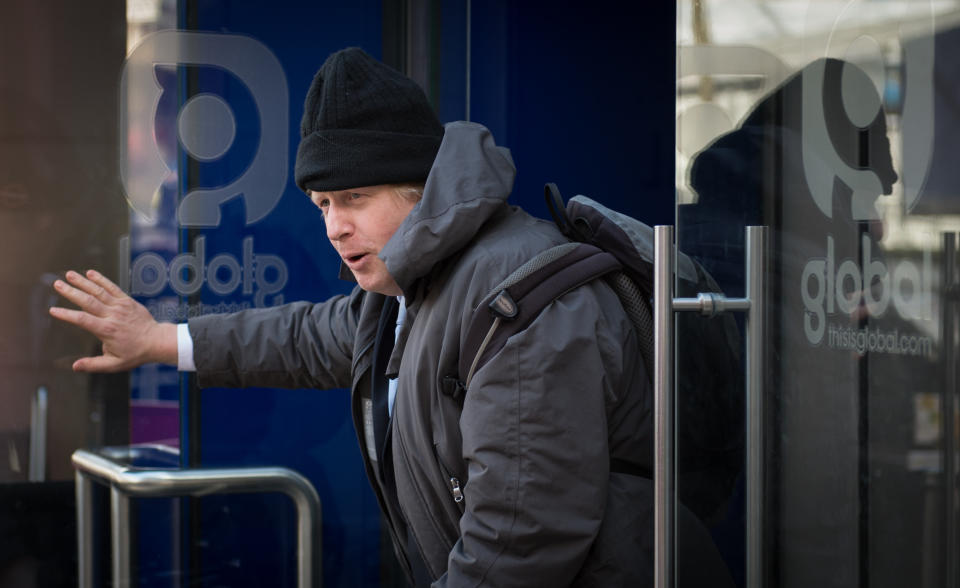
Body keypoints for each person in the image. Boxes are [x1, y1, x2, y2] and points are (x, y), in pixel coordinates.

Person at [50, 47, 656, 586]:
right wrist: (158, 339)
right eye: (322, 204)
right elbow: (307, 338)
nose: (335, 226)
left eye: (355, 199)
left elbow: (521, 542)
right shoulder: (412, 289)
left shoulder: (517, 296)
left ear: (423, 190)